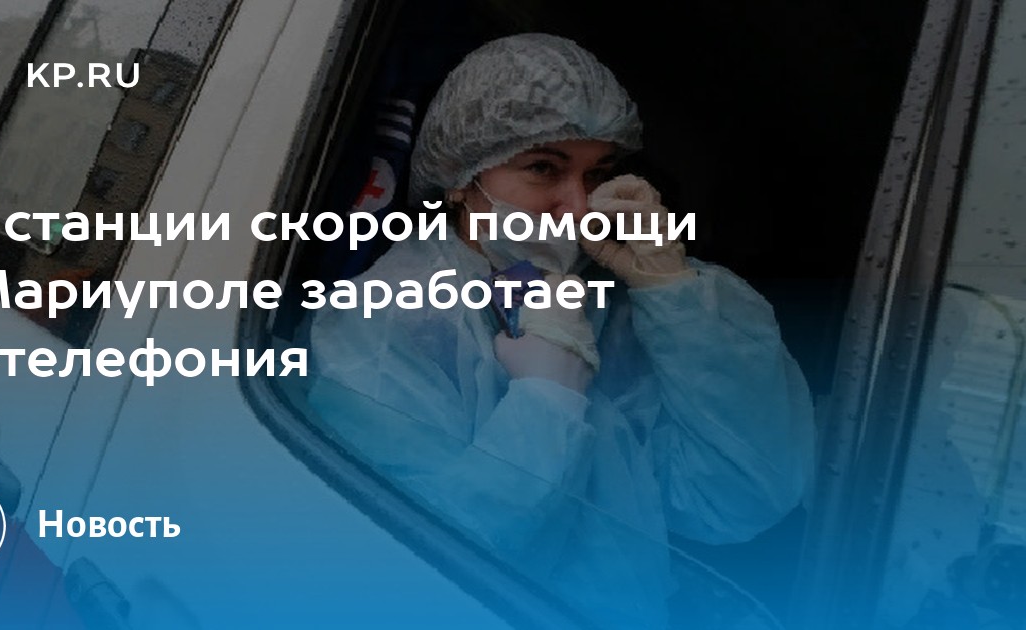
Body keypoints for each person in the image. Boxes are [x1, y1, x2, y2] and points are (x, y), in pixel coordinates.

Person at [307, 33, 815, 627]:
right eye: (543, 168)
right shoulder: (387, 317)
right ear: (461, 177)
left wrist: (671, 293)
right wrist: (546, 400)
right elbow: (410, 574)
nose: (577, 206)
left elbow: (737, 497)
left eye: (598, 174)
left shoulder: (621, 304)